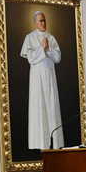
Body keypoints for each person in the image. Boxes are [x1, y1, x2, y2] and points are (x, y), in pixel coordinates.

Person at [20, 11, 64, 149]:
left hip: (50, 76)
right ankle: (40, 143)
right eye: (40, 21)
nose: (43, 23)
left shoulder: (51, 37)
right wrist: (41, 48)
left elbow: (57, 58)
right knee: (39, 107)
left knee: (52, 106)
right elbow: (31, 58)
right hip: (37, 78)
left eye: (44, 20)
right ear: (35, 22)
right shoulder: (30, 37)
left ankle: (56, 143)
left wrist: (47, 49)